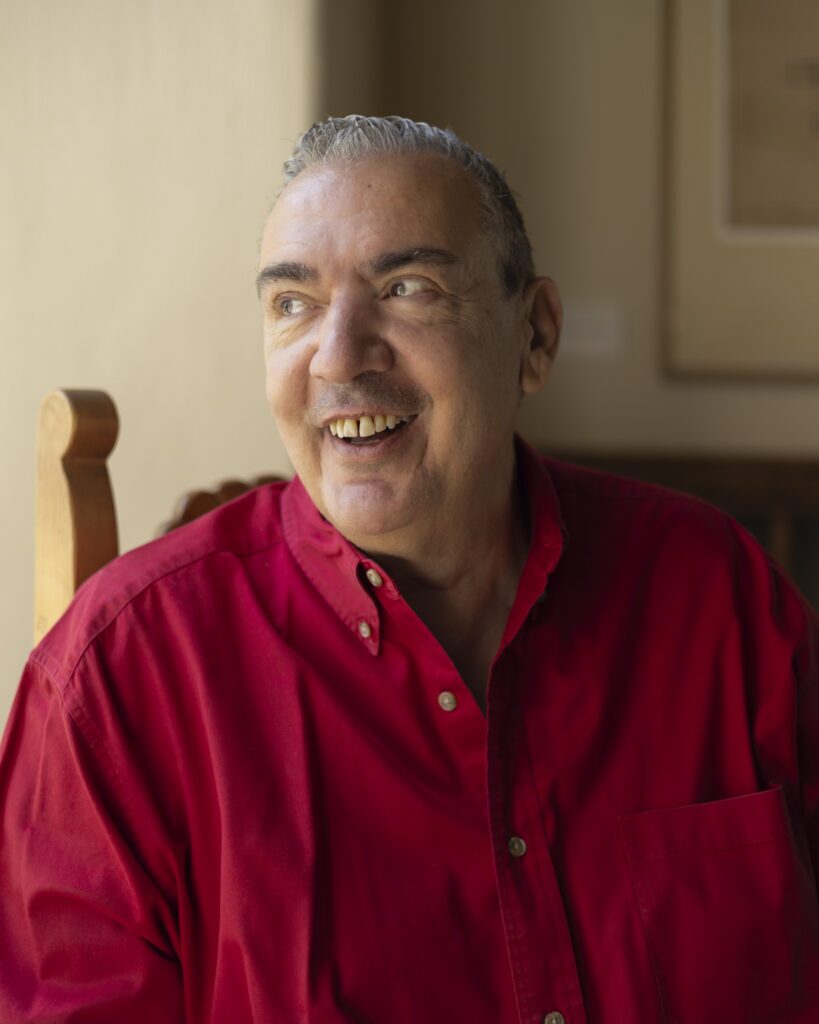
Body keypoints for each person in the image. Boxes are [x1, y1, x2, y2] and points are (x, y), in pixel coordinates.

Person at [1, 115, 818, 1024]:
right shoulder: (118, 678)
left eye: (408, 288)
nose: (340, 354)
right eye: (293, 304)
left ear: (535, 336)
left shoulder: (719, 599)